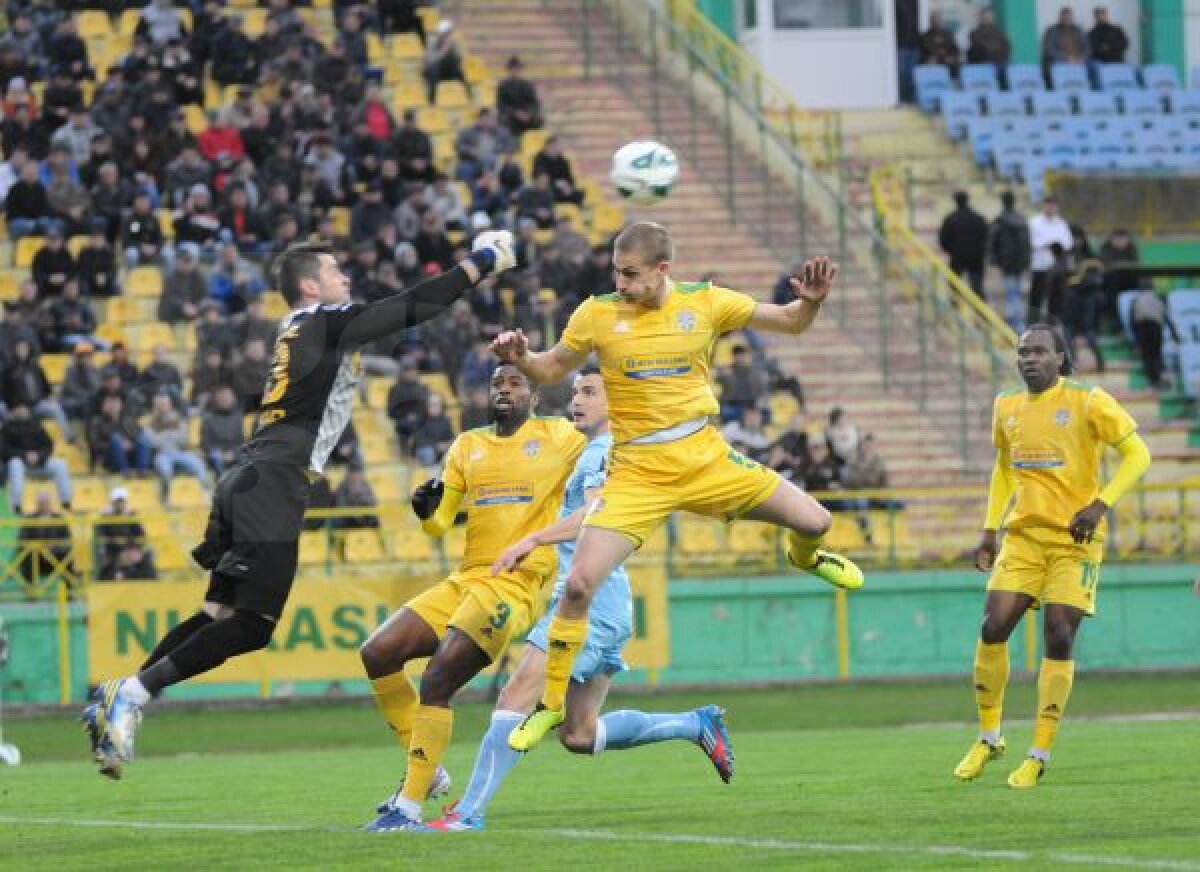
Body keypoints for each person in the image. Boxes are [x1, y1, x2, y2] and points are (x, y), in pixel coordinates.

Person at [82, 232, 518, 779]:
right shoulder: (324, 319)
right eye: (337, 273)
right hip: (274, 479)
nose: (347, 281)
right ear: (311, 285)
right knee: (253, 625)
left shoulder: (300, 330)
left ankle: (119, 705)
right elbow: (411, 307)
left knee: (218, 615)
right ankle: (133, 692)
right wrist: (483, 262)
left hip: (249, 473)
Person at [490, 221, 864, 753]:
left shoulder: (706, 302)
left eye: (631, 274)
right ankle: (551, 706)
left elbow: (790, 321)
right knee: (577, 587)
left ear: (663, 269)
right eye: (616, 271)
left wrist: (812, 304)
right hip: (638, 474)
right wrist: (520, 356)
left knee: (817, 522)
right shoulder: (597, 313)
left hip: (705, 459)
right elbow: (551, 368)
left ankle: (804, 557)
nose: (620, 282)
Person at [418, 369, 732, 832]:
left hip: (586, 607)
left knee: (515, 694)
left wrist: (532, 540)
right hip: (608, 603)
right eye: (574, 393)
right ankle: (696, 725)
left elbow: (595, 514)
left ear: (615, 400)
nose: (577, 401)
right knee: (579, 734)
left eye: (589, 392)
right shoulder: (606, 451)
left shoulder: (600, 453)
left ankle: (467, 812)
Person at [358, 363, 587, 831]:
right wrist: (425, 510)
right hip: (466, 578)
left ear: (534, 395)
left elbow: (601, 477)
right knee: (378, 652)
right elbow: (441, 523)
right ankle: (429, 768)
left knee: (438, 680)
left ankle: (409, 805)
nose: (504, 389)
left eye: (515, 382)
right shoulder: (468, 444)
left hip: (515, 582)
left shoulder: (562, 437)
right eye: (498, 383)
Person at [954, 324, 1151, 789]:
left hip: (1074, 540)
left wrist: (1100, 504)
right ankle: (989, 737)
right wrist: (989, 528)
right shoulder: (1006, 405)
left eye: (1039, 351)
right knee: (992, 627)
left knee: (1059, 636)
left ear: (1060, 358)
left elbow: (1139, 455)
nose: (1028, 359)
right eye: (1023, 352)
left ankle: (1038, 752)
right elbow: (1004, 469)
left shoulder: (1089, 401)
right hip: (1022, 538)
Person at [989, 191, 1031, 331]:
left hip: (1006, 262)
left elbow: (993, 241)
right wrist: (1026, 260)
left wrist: (994, 259)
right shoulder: (1022, 220)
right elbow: (1026, 242)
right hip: (1019, 262)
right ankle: (1017, 323)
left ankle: (1015, 324)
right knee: (1015, 292)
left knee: (1011, 293)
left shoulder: (1000, 220)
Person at [1028, 197, 1073, 326]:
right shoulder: (1034, 222)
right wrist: (1046, 243)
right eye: (1048, 205)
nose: (1050, 208)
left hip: (1056, 267)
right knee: (1037, 294)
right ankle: (1033, 320)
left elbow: (1068, 242)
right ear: (1043, 206)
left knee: (1055, 295)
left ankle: (1052, 320)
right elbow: (1030, 241)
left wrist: (1058, 245)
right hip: (1039, 265)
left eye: (1053, 206)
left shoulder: (1061, 223)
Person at [938, 190, 989, 300]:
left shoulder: (951, 218)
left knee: (954, 285)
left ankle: (955, 307)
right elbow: (987, 236)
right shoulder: (978, 218)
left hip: (957, 256)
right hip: (976, 256)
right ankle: (980, 311)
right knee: (977, 286)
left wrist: (951, 250)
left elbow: (943, 239)